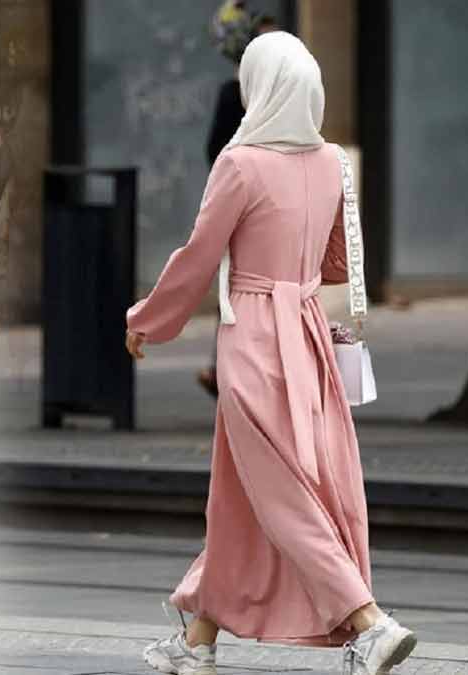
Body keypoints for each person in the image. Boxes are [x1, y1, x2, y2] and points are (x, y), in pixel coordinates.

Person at [127, 33, 416, 675]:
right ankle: (198, 637)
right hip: (307, 332)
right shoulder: (331, 160)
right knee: (242, 493)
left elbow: (200, 256)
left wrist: (146, 319)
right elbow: (337, 262)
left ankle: (369, 622)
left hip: (255, 338)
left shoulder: (240, 163)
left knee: (282, 489)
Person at [198, 8, 281, 398]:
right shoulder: (240, 95)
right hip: (250, 209)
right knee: (238, 291)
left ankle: (250, 368)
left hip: (271, 206)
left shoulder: (272, 95)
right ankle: (231, 368)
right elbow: (215, 151)